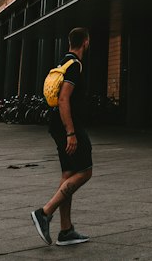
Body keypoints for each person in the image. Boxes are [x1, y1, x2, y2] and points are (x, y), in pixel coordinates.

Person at [31, 27, 93, 247]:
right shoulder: (74, 66)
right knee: (85, 171)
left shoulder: (62, 63)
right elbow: (64, 99)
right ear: (85, 42)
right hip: (68, 125)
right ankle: (45, 212)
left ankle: (66, 230)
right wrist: (71, 133)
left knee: (68, 174)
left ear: (69, 42)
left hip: (55, 124)